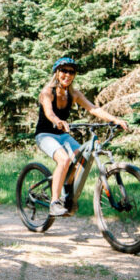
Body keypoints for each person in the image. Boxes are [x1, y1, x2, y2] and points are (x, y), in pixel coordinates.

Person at [35, 56, 129, 217]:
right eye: (64, 70)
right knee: (64, 159)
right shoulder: (47, 92)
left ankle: (67, 194)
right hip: (45, 134)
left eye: (71, 72)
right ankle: (54, 202)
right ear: (57, 73)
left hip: (62, 135)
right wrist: (57, 121)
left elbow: (93, 109)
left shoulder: (74, 94)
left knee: (79, 158)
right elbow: (49, 112)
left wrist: (115, 119)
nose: (68, 75)